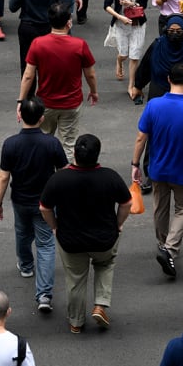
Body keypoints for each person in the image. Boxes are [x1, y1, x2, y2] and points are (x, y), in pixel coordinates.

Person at [40, 134, 132, 333]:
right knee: (105, 264)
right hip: (105, 239)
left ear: (74, 153)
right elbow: (126, 203)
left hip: (71, 241)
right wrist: (118, 224)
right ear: (97, 154)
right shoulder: (110, 176)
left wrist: (55, 226)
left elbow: (44, 207)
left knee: (75, 279)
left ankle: (76, 322)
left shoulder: (59, 179)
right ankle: (100, 304)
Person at [131, 63, 183, 279]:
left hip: (158, 169)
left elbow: (141, 137)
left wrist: (135, 164)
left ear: (168, 79)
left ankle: (162, 243)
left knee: (160, 207)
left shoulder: (153, 106)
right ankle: (170, 248)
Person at [0, 97, 68, 312]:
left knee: (22, 234)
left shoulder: (10, 144)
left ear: (20, 116)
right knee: (45, 244)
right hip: (45, 202)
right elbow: (63, 172)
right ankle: (44, 294)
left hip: (20, 201)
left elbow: (3, 176)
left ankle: (26, 265)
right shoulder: (51, 143)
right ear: (42, 118)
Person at [18, 2, 97, 162]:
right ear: (68, 22)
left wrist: (21, 100)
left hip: (46, 103)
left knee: (43, 140)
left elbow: (28, 75)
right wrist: (93, 91)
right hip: (71, 103)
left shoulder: (38, 44)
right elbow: (90, 74)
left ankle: (44, 175)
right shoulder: (79, 45)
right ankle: (65, 178)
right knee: (68, 144)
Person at [8, 0, 64, 88]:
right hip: (49, 28)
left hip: (28, 28)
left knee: (27, 63)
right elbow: (61, 8)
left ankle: (28, 96)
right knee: (49, 63)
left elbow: (12, 7)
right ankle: (47, 92)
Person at [133, 15, 183, 107]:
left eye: (178, 31)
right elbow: (145, 68)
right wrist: (138, 86)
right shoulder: (157, 46)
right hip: (159, 92)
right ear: (166, 30)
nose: (174, 34)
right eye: (171, 31)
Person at [103, 0, 149, 103]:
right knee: (124, 53)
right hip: (121, 24)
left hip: (138, 24)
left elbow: (144, 4)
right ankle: (119, 60)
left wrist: (132, 4)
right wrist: (120, 16)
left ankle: (131, 85)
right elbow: (106, 5)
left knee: (135, 55)